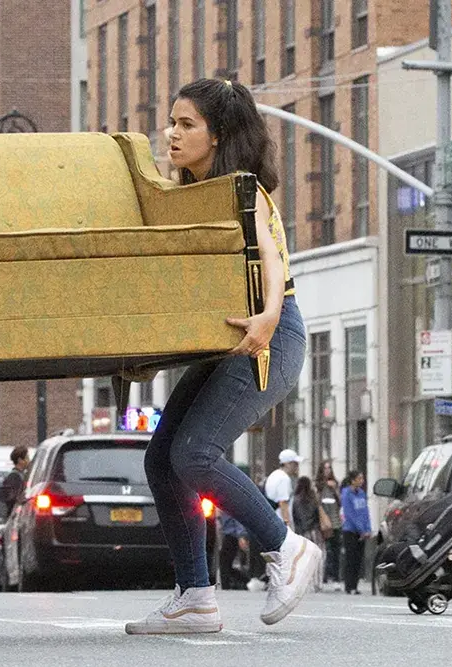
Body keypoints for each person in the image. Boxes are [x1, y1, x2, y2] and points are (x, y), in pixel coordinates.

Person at [125, 79, 320, 636]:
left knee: (195, 454)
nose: (172, 134)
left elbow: (272, 256)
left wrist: (269, 314)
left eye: (186, 125)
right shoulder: (183, 195)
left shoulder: (243, 190)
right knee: (162, 459)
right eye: (171, 122)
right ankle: (196, 597)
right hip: (223, 343)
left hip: (269, 336)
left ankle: (287, 548)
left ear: (219, 135)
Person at [291, 476, 327, 592]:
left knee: (303, 558)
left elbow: (295, 518)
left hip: (301, 533)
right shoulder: (313, 499)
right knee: (318, 557)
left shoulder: (295, 500)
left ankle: (306, 583)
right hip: (315, 532)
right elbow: (317, 516)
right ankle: (318, 582)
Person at [340, 471, 371, 595]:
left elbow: (365, 512)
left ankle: (355, 585)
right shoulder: (347, 494)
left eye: (362, 478)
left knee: (359, 559)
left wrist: (367, 529)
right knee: (350, 558)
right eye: (359, 478)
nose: (361, 480)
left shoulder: (362, 493)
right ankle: (349, 585)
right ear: (352, 480)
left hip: (362, 531)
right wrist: (361, 529)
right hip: (350, 530)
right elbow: (350, 514)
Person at [315, 461, 343, 589]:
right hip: (324, 523)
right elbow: (317, 503)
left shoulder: (334, 485)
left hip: (336, 521)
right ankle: (324, 577)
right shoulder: (318, 486)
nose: (327, 470)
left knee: (336, 551)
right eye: (325, 468)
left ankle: (336, 577)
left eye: (329, 468)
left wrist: (335, 489)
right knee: (326, 551)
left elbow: (340, 502)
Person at [265, 450, 300, 527]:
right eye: (295, 464)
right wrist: (287, 525)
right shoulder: (284, 478)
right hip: (280, 521)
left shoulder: (275, 475)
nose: (297, 466)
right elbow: (283, 502)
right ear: (287, 464)